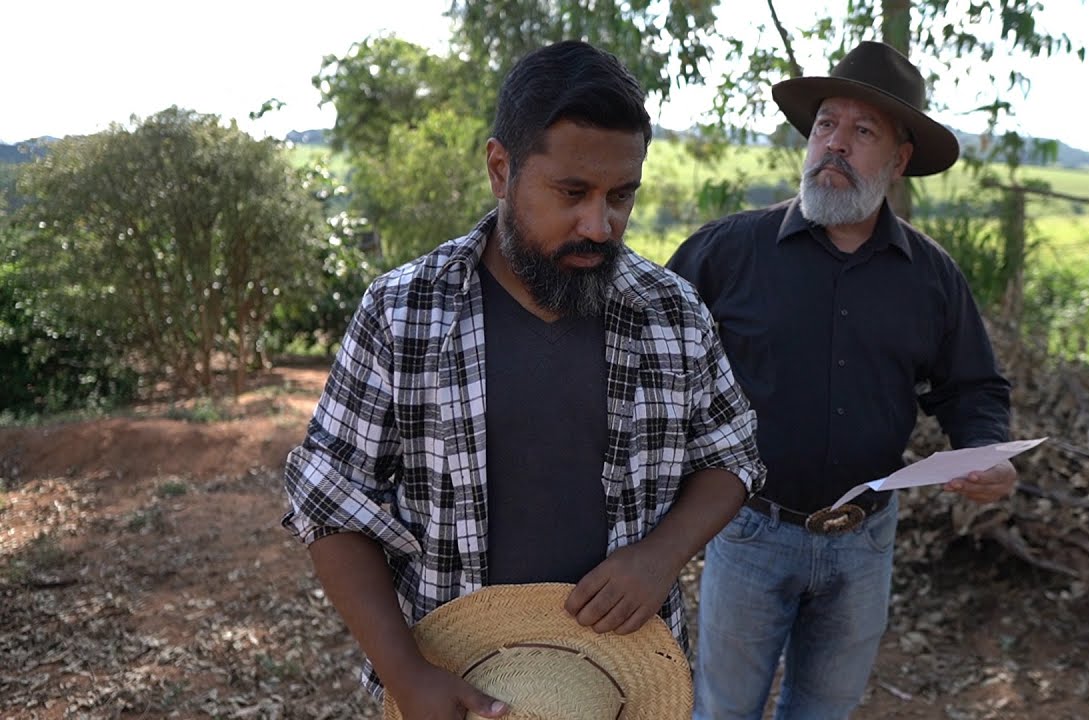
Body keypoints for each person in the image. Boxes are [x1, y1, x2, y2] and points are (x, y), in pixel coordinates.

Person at [282, 40, 764, 720]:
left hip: (623, 683)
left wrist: (661, 556)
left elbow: (732, 456)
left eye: (621, 196)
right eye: (572, 193)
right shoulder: (405, 313)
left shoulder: (671, 312)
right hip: (454, 679)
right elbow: (330, 505)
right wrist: (406, 675)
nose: (599, 225)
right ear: (500, 169)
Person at [666, 41, 1017, 719]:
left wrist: (987, 455)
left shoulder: (932, 277)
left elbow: (973, 389)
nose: (834, 144)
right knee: (723, 710)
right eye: (826, 124)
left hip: (865, 544)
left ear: (899, 159)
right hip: (748, 532)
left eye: (862, 132)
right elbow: (650, 354)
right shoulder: (728, 251)